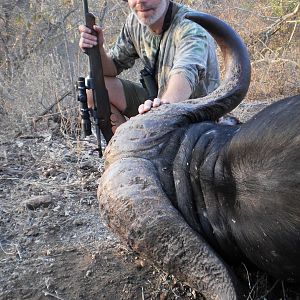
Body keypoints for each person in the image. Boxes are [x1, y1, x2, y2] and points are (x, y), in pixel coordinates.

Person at [79, 0, 220, 132]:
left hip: (197, 118)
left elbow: (185, 73)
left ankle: (146, 145)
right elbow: (113, 66)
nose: (140, 1)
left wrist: (161, 113)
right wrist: (97, 49)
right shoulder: (134, 22)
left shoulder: (190, 27)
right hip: (157, 104)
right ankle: (125, 150)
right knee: (95, 87)